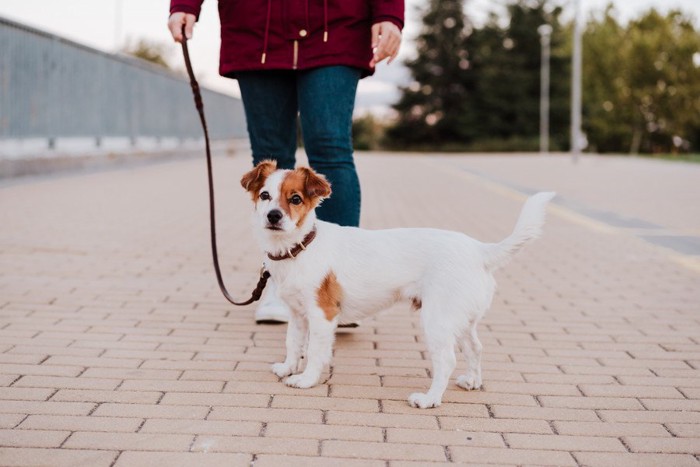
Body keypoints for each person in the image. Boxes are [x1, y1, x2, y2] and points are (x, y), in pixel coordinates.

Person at [168, 0, 404, 323]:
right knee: (269, 155)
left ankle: (341, 285)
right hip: (257, 26)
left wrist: (389, 13)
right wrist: (184, 4)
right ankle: (279, 282)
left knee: (331, 151)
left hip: (335, 24)